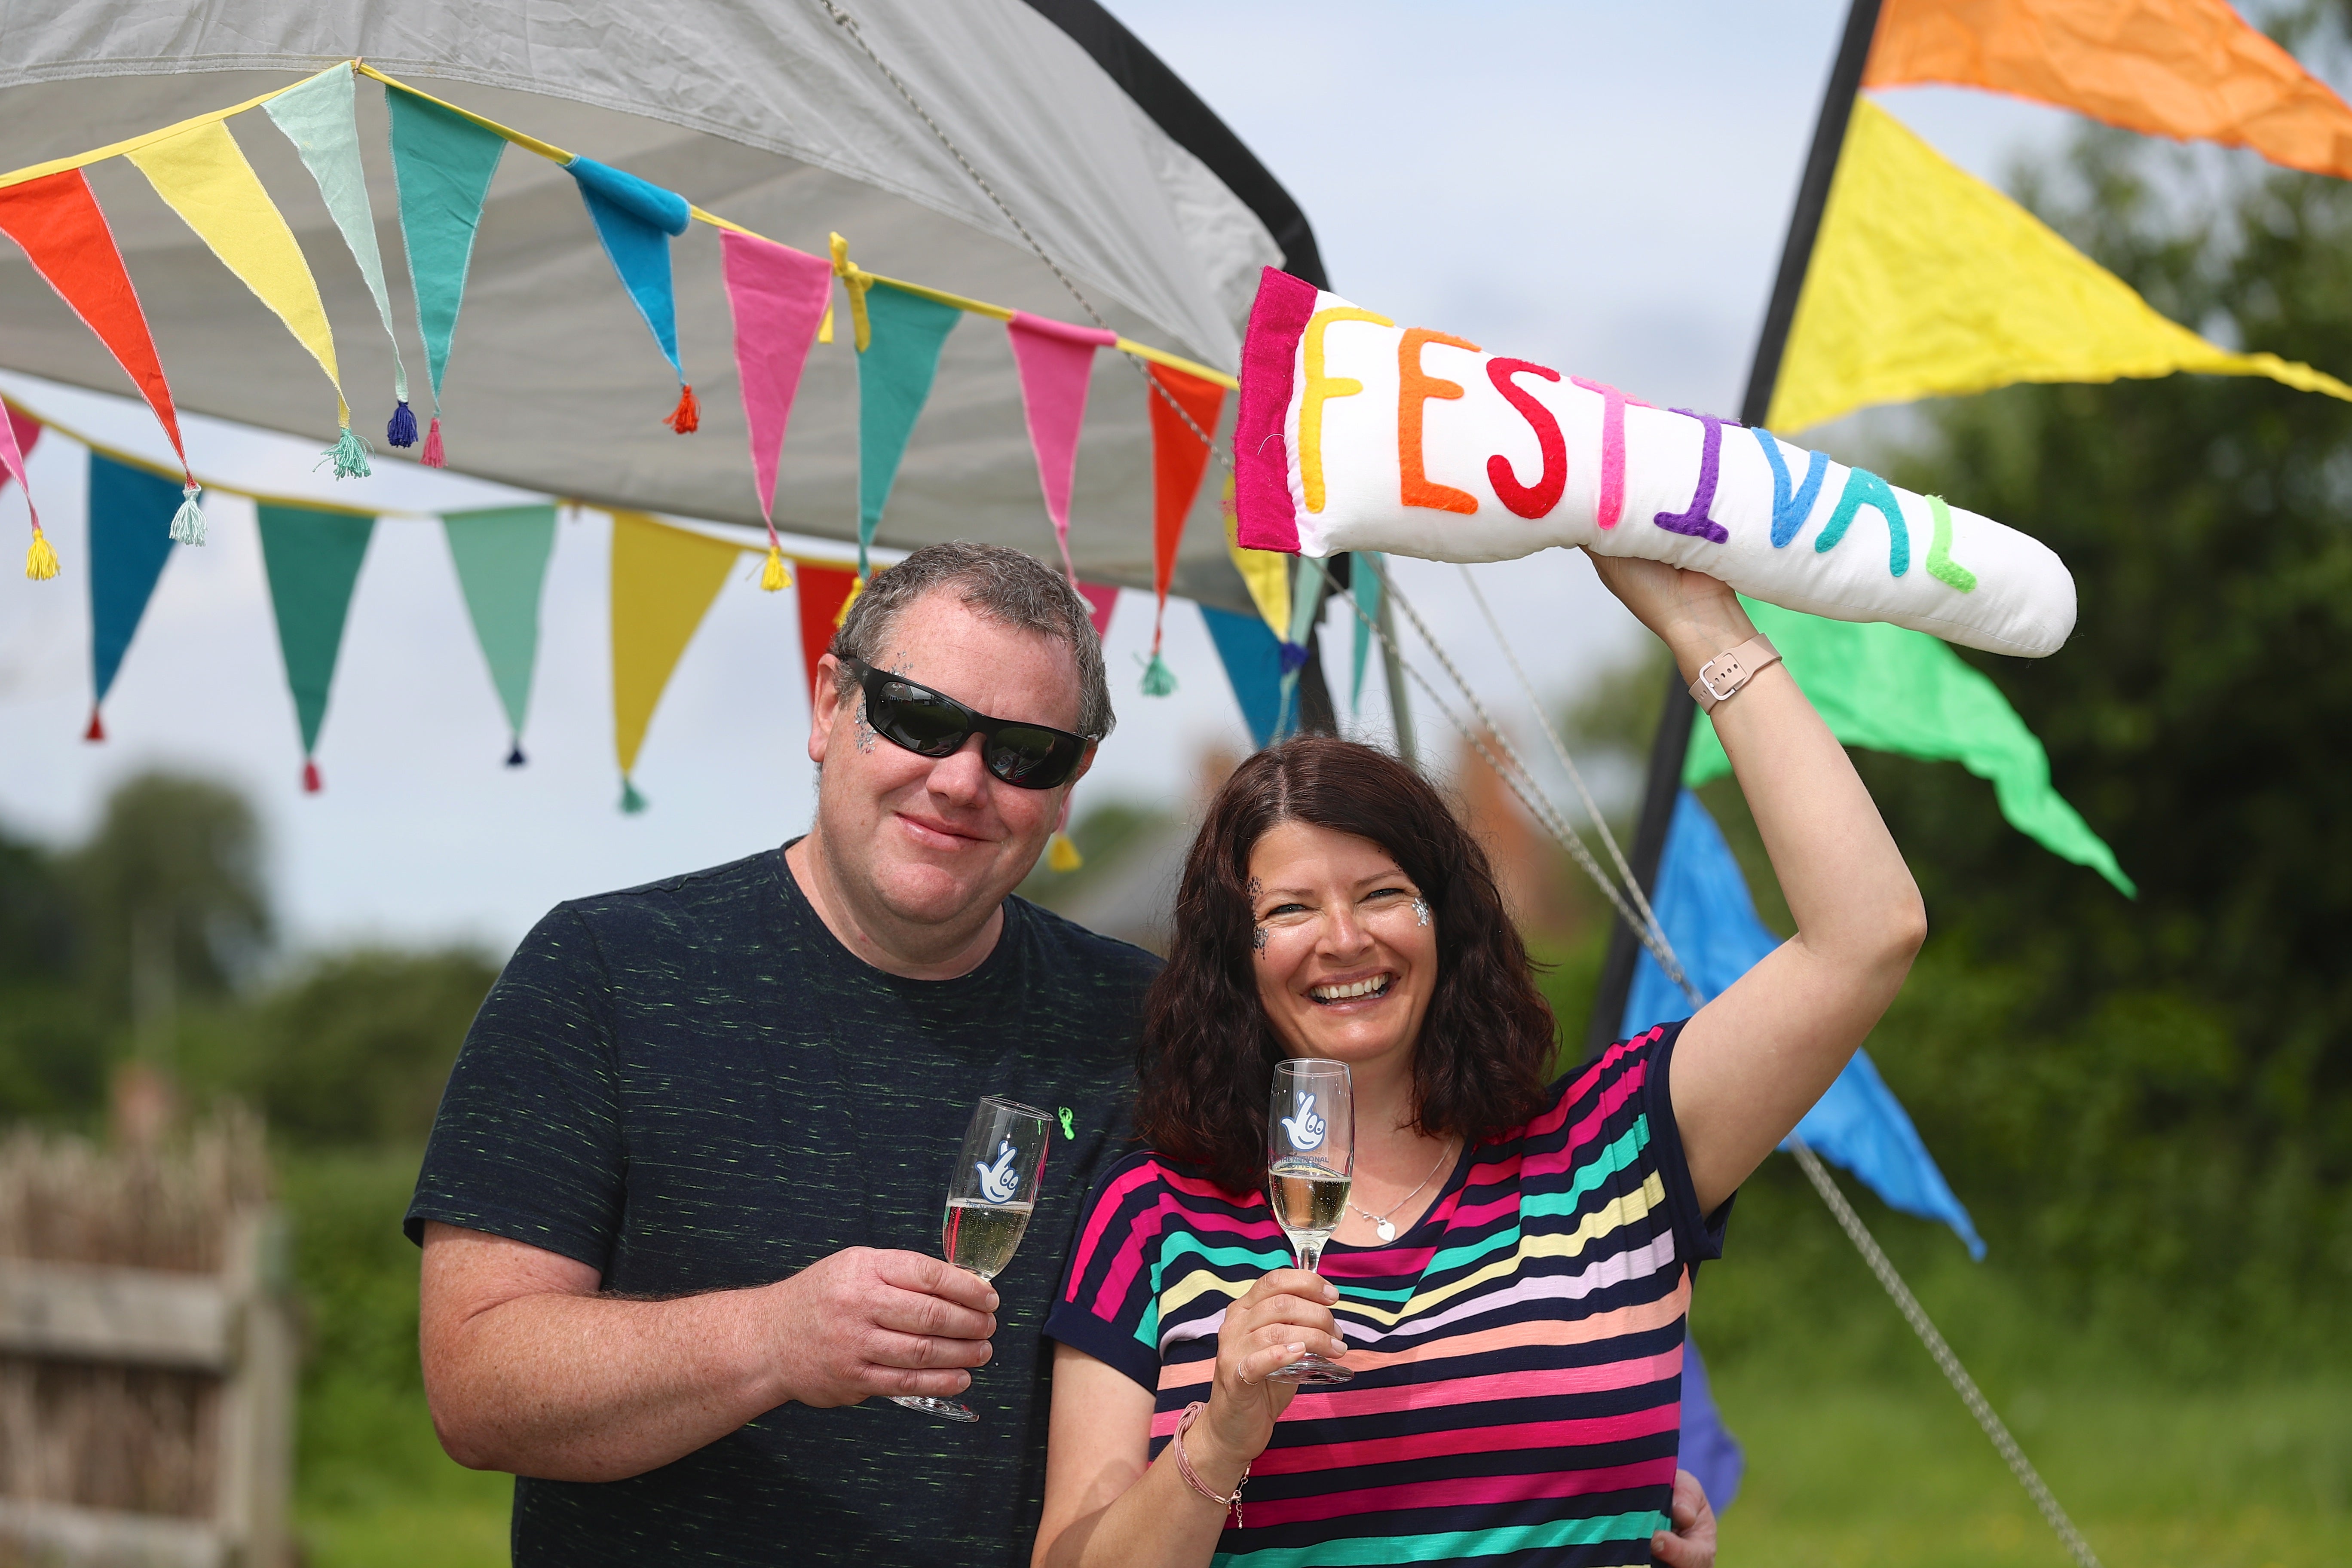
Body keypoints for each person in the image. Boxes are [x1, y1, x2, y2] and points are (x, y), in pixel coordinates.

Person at [1032, 555, 1926, 1567]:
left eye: (1380, 894)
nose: (1342, 939)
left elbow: (1869, 933)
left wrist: (1700, 625)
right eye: (1288, 910)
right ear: (1232, 959)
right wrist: (1223, 1430)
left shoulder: (1614, 1150)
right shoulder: (1153, 1217)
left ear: (1447, 923)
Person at [406, 542, 1160, 1566]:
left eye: (1023, 752)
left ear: (1070, 788)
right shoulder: (605, 970)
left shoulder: (1138, 1023)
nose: (960, 780)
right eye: (920, 719)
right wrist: (773, 1341)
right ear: (828, 707)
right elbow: (475, 1385)